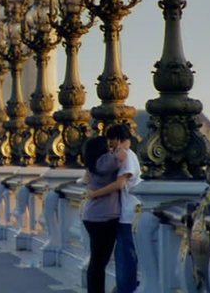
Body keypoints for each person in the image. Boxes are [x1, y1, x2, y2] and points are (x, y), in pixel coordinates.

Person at [87, 124, 142, 293]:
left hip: (126, 214)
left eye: (111, 143)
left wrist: (94, 193)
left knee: (123, 258)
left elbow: (119, 183)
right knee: (121, 257)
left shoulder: (127, 156)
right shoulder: (121, 156)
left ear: (118, 140)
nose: (110, 147)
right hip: (119, 214)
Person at [82, 136, 125, 293]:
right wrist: (120, 146)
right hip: (104, 217)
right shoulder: (105, 161)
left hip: (91, 216)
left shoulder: (92, 162)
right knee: (99, 262)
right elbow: (122, 156)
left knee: (96, 260)